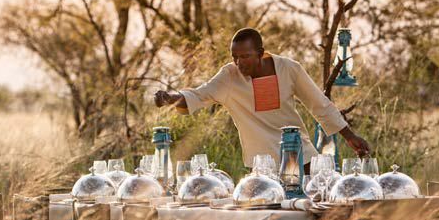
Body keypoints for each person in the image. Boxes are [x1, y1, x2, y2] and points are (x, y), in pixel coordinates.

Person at [154, 28, 370, 173]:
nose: (239, 62)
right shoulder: (229, 76)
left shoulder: (289, 69)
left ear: (260, 53)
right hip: (262, 166)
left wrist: (350, 136)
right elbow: (197, 95)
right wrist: (170, 98)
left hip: (301, 158)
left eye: (245, 56)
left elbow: (319, 104)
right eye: (234, 56)